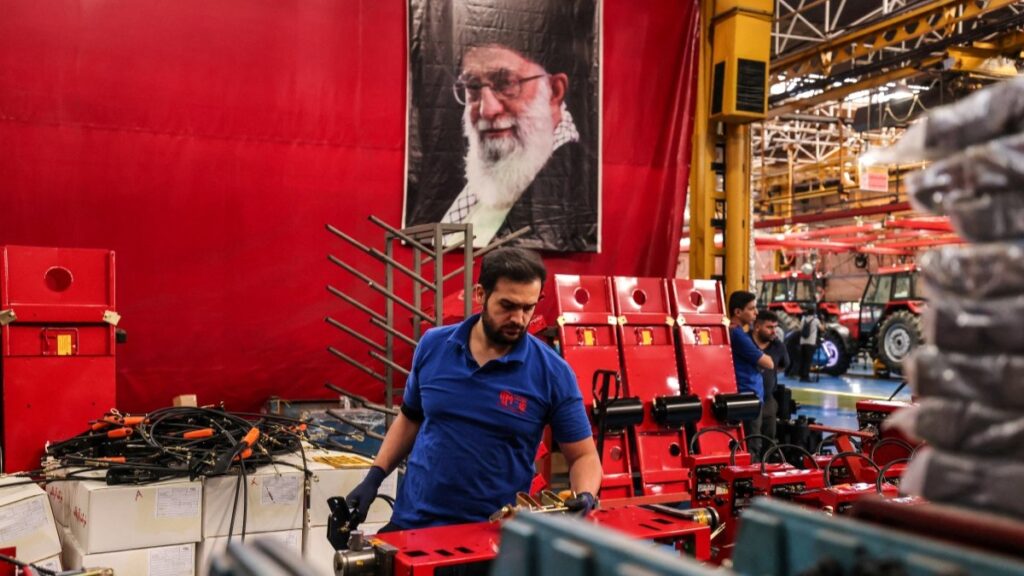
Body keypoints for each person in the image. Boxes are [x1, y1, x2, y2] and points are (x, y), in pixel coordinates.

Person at [345, 247, 602, 531]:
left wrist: (586, 495)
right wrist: (374, 478)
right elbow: (410, 418)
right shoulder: (433, 346)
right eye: (507, 305)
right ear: (480, 294)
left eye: (528, 307)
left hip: (490, 533)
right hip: (413, 522)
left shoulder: (552, 372)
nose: (518, 318)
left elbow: (583, 456)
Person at [436, 43, 598, 252]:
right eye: (473, 88)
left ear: (554, 91)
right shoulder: (467, 179)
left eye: (506, 84)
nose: (487, 109)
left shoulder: (582, 184)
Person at [727, 291, 774, 449]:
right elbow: (768, 363)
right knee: (752, 444)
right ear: (738, 312)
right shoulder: (737, 335)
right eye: (751, 308)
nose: (756, 312)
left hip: (750, 396)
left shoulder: (738, 333)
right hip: (748, 396)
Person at [751, 310, 790, 453]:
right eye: (769, 327)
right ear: (757, 327)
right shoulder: (746, 342)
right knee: (752, 441)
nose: (774, 331)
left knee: (770, 439)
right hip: (750, 401)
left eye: (775, 327)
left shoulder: (778, 346)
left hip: (768, 400)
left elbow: (783, 365)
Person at [798, 306, 822, 382]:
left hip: (802, 342)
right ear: (814, 312)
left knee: (802, 359)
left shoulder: (803, 319)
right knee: (808, 360)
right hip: (811, 342)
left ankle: (801, 376)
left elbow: (800, 329)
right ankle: (806, 377)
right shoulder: (816, 320)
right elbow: (822, 328)